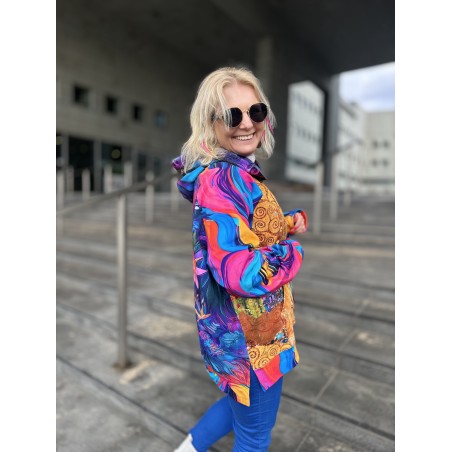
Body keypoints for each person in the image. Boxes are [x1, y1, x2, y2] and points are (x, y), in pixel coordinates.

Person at [172, 66, 308, 452]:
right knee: (254, 435)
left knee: (241, 409)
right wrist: (292, 253)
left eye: (256, 111)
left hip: (241, 333)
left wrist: (284, 224)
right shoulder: (224, 180)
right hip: (252, 340)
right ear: (211, 123)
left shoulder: (232, 173)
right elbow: (240, 271)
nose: (247, 123)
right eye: (232, 115)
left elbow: (240, 231)